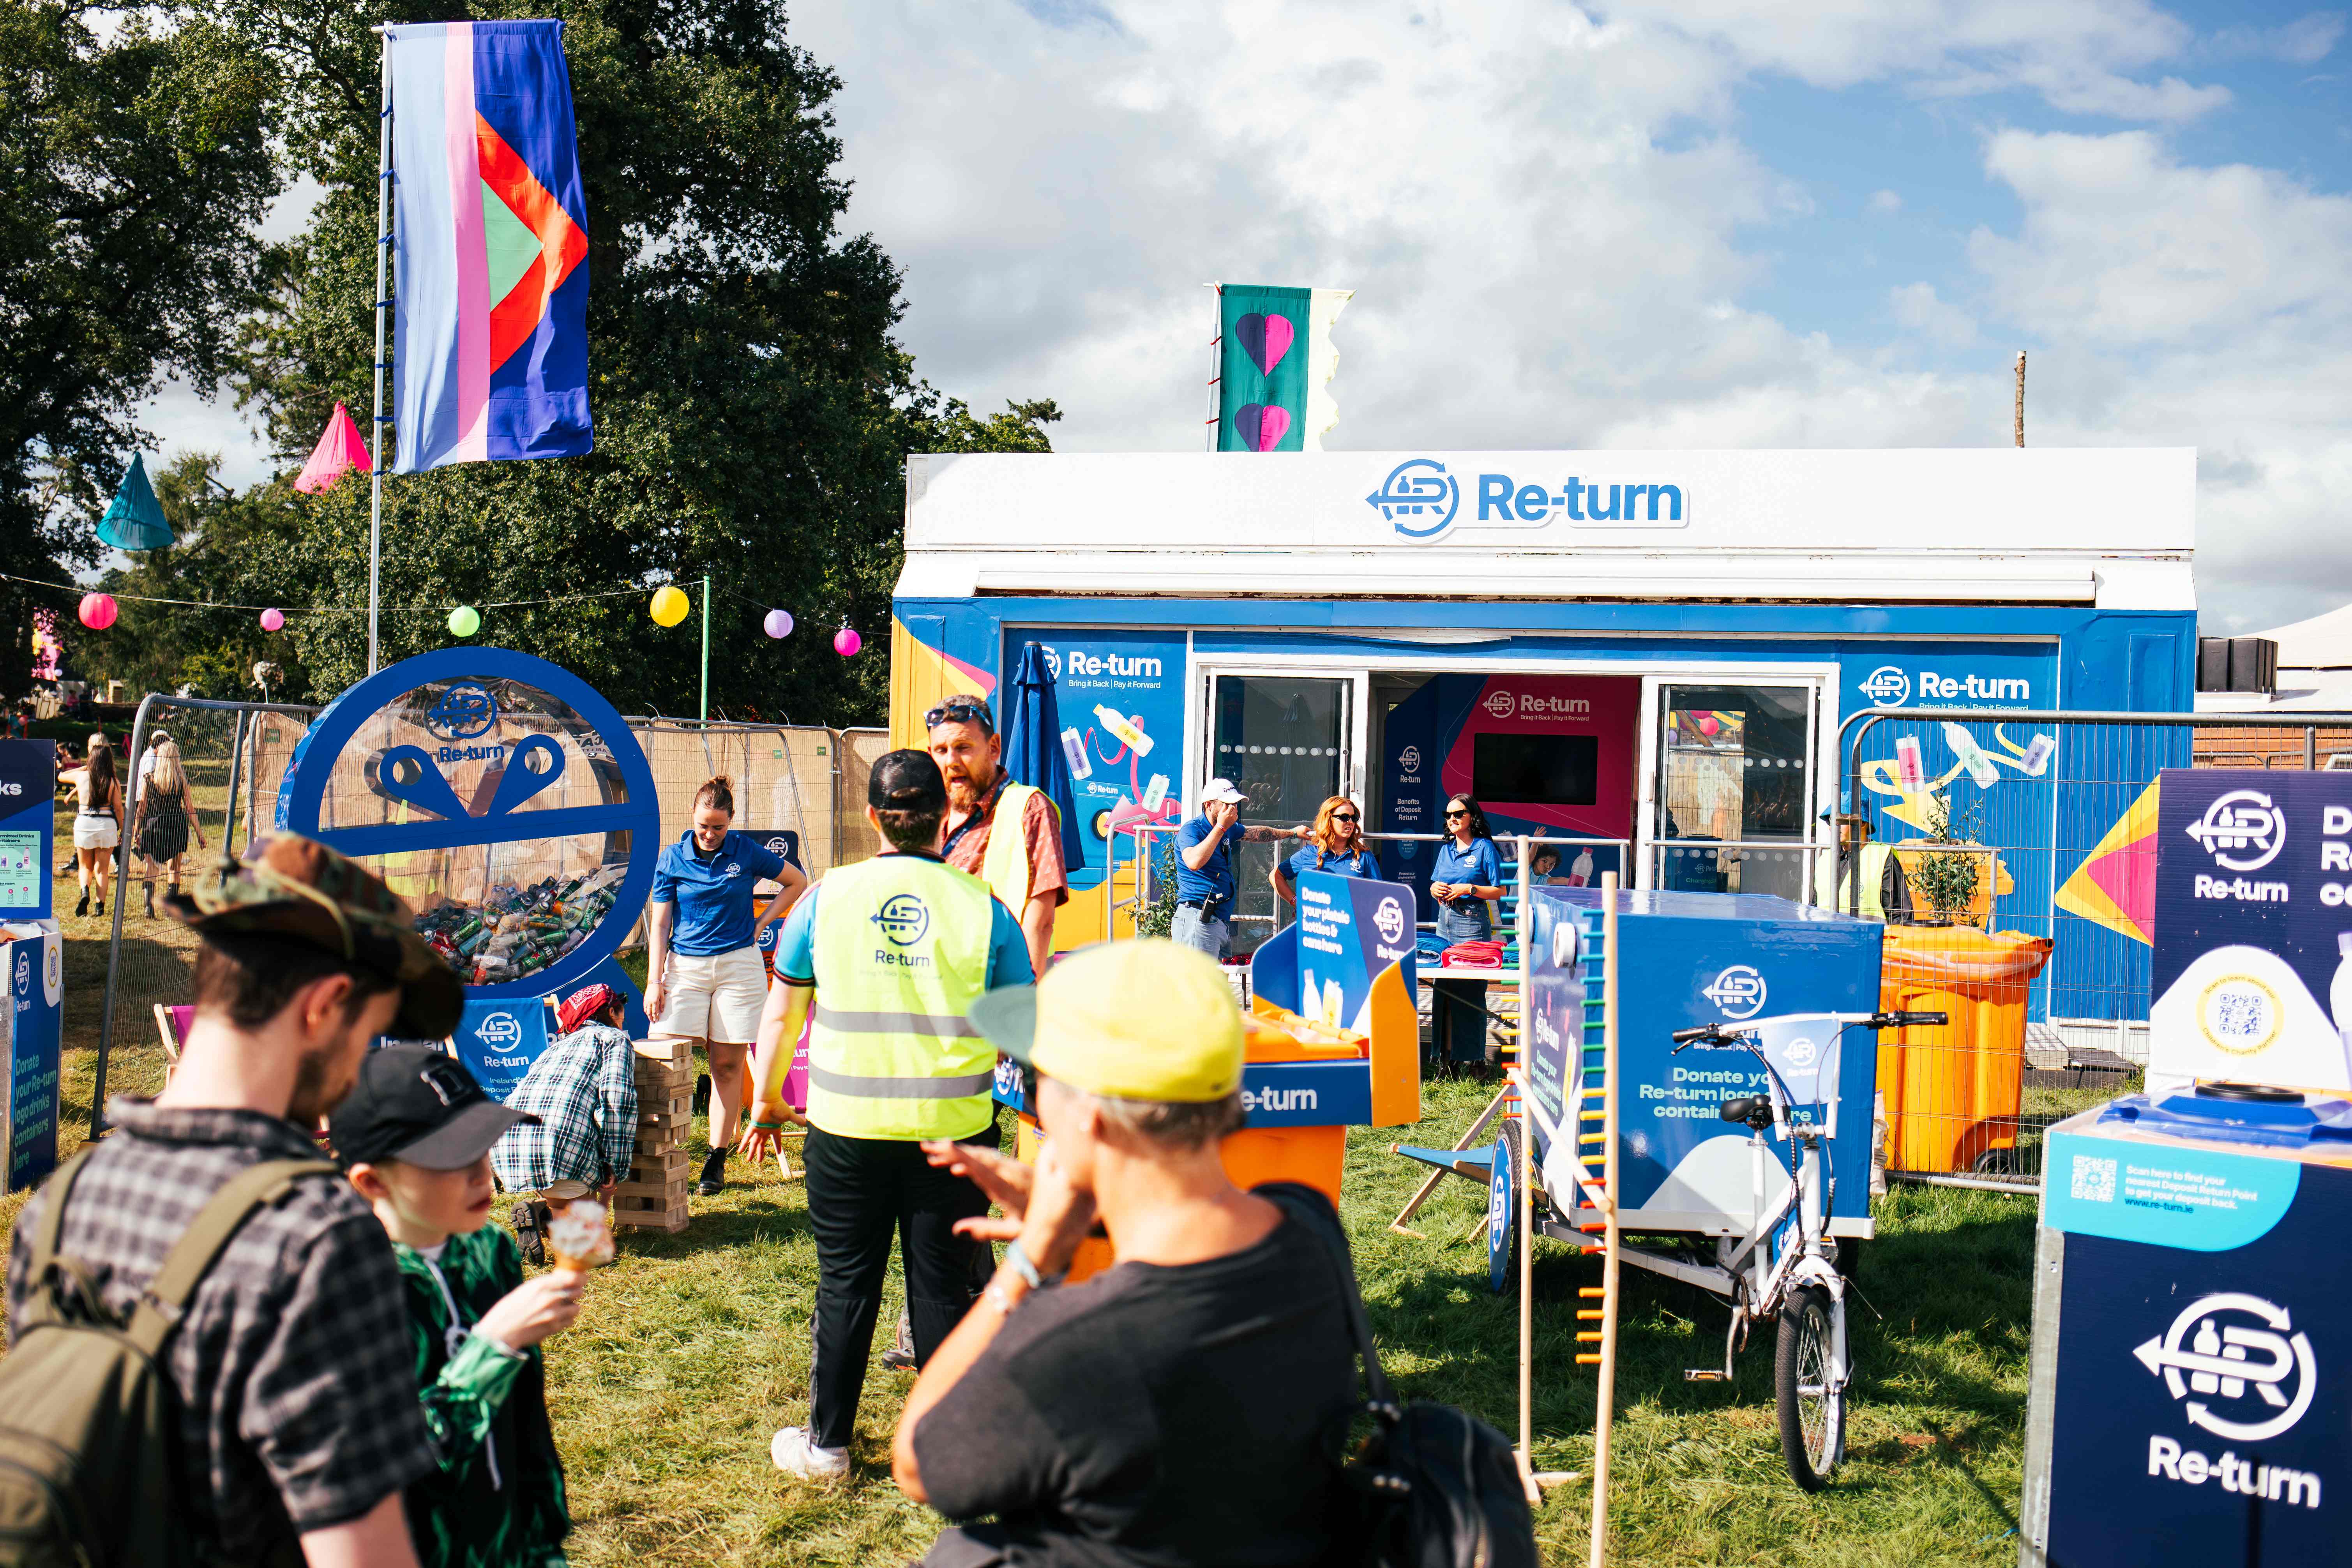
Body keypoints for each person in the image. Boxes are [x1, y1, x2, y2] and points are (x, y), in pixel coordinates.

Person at [4, 835, 464, 1566]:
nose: (356, 1073)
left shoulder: (64, 1198)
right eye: (369, 1037)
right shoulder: (316, 1236)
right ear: (326, 1005)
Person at [889, 940, 1358, 1566]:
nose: (1034, 1096)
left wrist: (1030, 1261)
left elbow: (920, 1460)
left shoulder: (1078, 1341)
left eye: (1040, 1076)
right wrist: (1087, 1228)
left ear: (1090, 1117)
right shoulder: (1308, 1226)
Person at [737, 750, 1034, 1480]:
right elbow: (1024, 1029)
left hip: (845, 1132)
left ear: (870, 816)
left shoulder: (826, 899)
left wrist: (767, 1103)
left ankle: (828, 1446)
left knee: (846, 1283)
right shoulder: (985, 907)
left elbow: (781, 1014)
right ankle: (945, 1448)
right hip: (954, 1135)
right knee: (942, 1288)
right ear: (947, 815)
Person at [332, 1046, 580, 1568]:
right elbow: (386, 1459)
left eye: (483, 1146)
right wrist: (492, 1348)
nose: (482, 1175)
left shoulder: (488, 1252)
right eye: (450, 1159)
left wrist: (543, 1533)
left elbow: (524, 1415)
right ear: (373, 1182)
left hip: (517, 1543)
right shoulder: (348, 1292)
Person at [645, 774, 809, 1195]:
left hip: (739, 967)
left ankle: (715, 1160)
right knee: (663, 1058)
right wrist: (653, 981)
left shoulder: (746, 851)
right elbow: (660, 924)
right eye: (704, 825)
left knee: (727, 1065)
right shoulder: (671, 858)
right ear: (692, 818)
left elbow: (797, 881)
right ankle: (657, 1153)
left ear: (731, 821)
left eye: (719, 826)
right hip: (685, 968)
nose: (710, 834)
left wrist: (762, 922)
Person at [491, 983, 639, 1262]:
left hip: (510, 1143)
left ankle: (548, 1212)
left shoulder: (554, 1049)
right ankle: (548, 1218)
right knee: (591, 1253)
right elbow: (617, 1102)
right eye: (620, 1010)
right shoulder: (613, 1040)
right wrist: (614, 1168)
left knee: (565, 1198)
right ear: (611, 1012)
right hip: (557, 1145)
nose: (623, 1018)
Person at [929, 693, 1069, 976]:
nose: (952, 761)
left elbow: (1040, 923)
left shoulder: (1030, 808)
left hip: (995, 990)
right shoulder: (930, 810)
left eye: (963, 747)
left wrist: (1017, 1005)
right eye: (941, 750)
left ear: (994, 748)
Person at [1171, 778, 1296, 960]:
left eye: (1235, 804)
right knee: (1198, 985)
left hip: (1219, 922)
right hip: (1197, 919)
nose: (1233, 810)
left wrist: (1292, 833)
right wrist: (1221, 827)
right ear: (1209, 806)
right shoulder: (1192, 830)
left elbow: (1256, 833)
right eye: (1227, 804)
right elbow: (1194, 862)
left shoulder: (1228, 829)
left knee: (1217, 986)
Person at [1429, 794, 1505, 1070]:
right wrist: (1434, 889)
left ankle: (1475, 1059)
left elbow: (1500, 891)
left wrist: (1470, 889)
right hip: (1444, 920)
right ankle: (1444, 1057)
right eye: (1448, 815)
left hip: (1471, 921)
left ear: (1471, 816)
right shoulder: (1446, 849)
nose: (1452, 819)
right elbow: (1436, 882)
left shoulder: (1485, 848)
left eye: (1458, 814)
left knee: (1471, 989)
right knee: (1443, 988)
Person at [134, 733, 207, 919]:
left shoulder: (149, 779)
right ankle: (171, 910)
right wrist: (200, 834)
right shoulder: (181, 782)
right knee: (174, 869)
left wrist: (136, 829)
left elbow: (142, 806)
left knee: (151, 867)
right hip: (176, 828)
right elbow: (190, 810)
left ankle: (148, 908)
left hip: (154, 827)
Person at [1271, 793, 1382, 905]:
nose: (1350, 822)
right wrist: (1295, 902)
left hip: (1351, 921)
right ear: (1329, 820)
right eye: (1344, 817)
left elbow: (1379, 894)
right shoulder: (1309, 853)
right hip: (1316, 921)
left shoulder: (1363, 856)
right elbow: (1276, 875)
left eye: (1354, 818)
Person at [71, 731, 122, 918]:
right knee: (102, 869)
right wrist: (123, 828)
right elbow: (118, 808)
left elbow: (61, 776)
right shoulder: (112, 780)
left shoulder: (81, 777)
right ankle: (100, 908)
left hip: (84, 823)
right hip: (106, 824)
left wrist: (86, 767)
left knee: (85, 867)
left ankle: (85, 891)